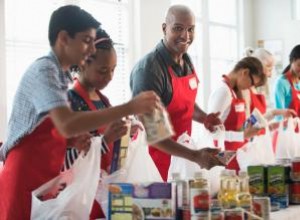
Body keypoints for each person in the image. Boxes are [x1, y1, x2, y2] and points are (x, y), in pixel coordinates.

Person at [0, 5, 159, 220]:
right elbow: (66, 123)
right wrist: (130, 107)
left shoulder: (60, 76)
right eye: (87, 41)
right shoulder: (44, 71)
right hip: (24, 181)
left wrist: (69, 143)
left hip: (47, 185)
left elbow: (49, 130)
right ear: (64, 38)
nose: (92, 49)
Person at [130, 5, 223, 181]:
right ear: (164, 28)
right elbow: (154, 133)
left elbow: (184, 103)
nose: (185, 36)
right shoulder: (149, 71)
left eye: (191, 29)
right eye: (178, 28)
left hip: (180, 160)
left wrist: (205, 117)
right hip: (155, 164)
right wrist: (195, 156)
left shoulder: (185, 60)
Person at [63, 28, 142, 219]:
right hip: (82, 200)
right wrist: (105, 141)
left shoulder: (104, 101)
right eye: (103, 70)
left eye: (113, 69)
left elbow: (111, 146)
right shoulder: (70, 103)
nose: (110, 77)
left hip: (105, 196)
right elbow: (64, 161)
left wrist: (126, 133)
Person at [208, 57, 267, 171]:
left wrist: (247, 129)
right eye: (251, 83)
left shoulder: (235, 93)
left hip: (236, 156)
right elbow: (211, 132)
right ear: (245, 72)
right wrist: (242, 135)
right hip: (223, 157)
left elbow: (232, 126)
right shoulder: (223, 92)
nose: (250, 88)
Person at [243, 48, 296, 128]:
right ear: (259, 68)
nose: (270, 75)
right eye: (269, 70)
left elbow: (256, 122)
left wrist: (272, 125)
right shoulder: (244, 91)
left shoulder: (254, 90)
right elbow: (246, 127)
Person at [274, 45, 300, 118]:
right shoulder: (281, 83)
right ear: (292, 61)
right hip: (288, 128)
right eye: (299, 65)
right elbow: (279, 114)